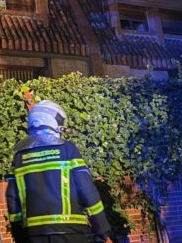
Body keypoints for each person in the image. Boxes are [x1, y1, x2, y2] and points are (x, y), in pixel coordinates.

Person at [6, 100, 113, 243]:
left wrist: (18, 234)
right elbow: (86, 190)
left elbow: (12, 199)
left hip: (32, 235)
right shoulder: (67, 149)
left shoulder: (19, 156)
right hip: (71, 232)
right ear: (51, 120)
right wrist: (102, 229)